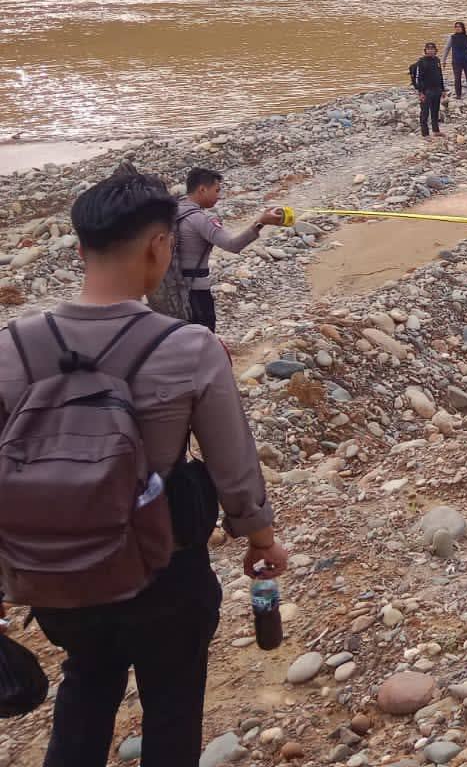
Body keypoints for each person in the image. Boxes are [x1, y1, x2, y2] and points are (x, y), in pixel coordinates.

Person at [0, 168, 287, 767]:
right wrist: (259, 538)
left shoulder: (11, 347)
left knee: (85, 684)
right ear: (160, 246)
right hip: (166, 566)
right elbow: (232, 464)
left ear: (80, 248)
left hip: (56, 576)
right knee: (173, 707)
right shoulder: (188, 347)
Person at [175, 168, 283, 332]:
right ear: (202, 189)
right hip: (195, 293)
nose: (219, 196)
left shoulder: (171, 213)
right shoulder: (200, 219)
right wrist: (261, 222)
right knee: (202, 342)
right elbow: (233, 245)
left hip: (171, 290)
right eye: (216, 190)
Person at [410, 41, 445, 138]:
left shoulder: (437, 60)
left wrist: (443, 89)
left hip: (437, 90)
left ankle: (436, 131)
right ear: (425, 51)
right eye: (428, 49)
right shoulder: (421, 62)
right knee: (424, 112)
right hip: (426, 91)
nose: (430, 51)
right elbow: (417, 78)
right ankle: (425, 134)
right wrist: (420, 92)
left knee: (435, 111)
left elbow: (440, 75)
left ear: (435, 51)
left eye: (432, 49)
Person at [447, 21, 467, 99]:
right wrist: (444, 60)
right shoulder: (452, 37)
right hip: (456, 61)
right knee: (457, 78)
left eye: (459, 26)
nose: (457, 28)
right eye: (456, 27)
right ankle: (458, 95)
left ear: (463, 28)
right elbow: (447, 49)